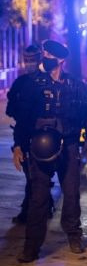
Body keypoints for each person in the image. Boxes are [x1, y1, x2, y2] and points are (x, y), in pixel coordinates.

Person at [10, 40, 87, 263]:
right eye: (44, 54)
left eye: (49, 54)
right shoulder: (33, 84)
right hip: (39, 148)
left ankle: (74, 235)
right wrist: (18, 146)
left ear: (60, 60)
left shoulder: (75, 85)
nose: (45, 57)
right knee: (38, 198)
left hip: (69, 146)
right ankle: (31, 247)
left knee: (71, 194)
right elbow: (23, 118)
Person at [6, 44, 52, 225]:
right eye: (27, 60)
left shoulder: (48, 80)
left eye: (33, 59)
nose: (29, 63)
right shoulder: (21, 82)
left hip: (45, 135)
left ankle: (35, 210)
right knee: (31, 176)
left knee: (39, 177)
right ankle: (32, 210)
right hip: (25, 134)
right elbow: (12, 108)